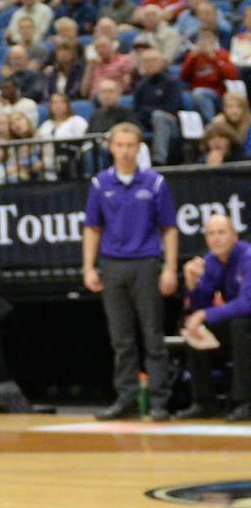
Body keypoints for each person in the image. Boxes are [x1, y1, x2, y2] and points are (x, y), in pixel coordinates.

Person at [82, 120, 180, 421]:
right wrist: (88, 267)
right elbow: (92, 228)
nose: (125, 151)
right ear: (111, 147)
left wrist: (170, 269)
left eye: (130, 146)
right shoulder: (100, 184)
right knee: (120, 338)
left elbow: (170, 229)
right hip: (112, 265)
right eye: (120, 145)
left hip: (146, 263)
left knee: (152, 335)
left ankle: (160, 401)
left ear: (139, 148)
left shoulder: (154, 183)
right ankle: (125, 399)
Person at [182, 211, 251, 420]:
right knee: (194, 329)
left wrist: (204, 313)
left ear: (235, 235)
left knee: (240, 325)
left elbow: (247, 303)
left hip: (246, 321)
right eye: (211, 233)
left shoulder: (248, 256)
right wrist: (192, 284)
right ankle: (204, 401)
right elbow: (199, 307)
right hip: (238, 324)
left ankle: (245, 402)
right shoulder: (211, 261)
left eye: (222, 232)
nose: (216, 238)